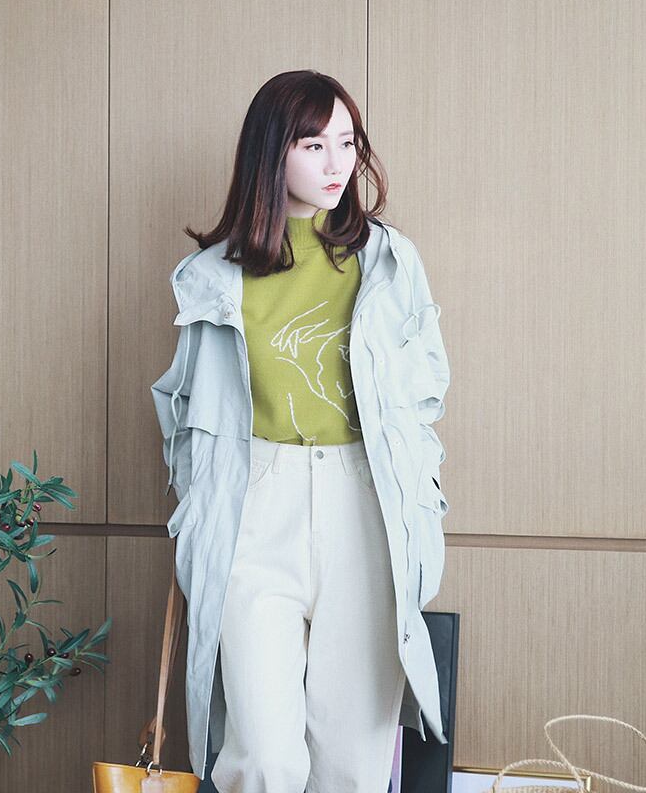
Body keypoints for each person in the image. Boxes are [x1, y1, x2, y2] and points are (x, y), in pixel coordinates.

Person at [151, 69, 450, 792]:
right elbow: (181, 407)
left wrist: (421, 491)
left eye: (347, 142)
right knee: (262, 757)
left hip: (365, 502)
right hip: (253, 504)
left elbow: (425, 390)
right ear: (270, 152)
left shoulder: (388, 261)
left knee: (353, 760)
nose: (337, 163)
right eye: (313, 144)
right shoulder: (211, 276)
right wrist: (198, 504)